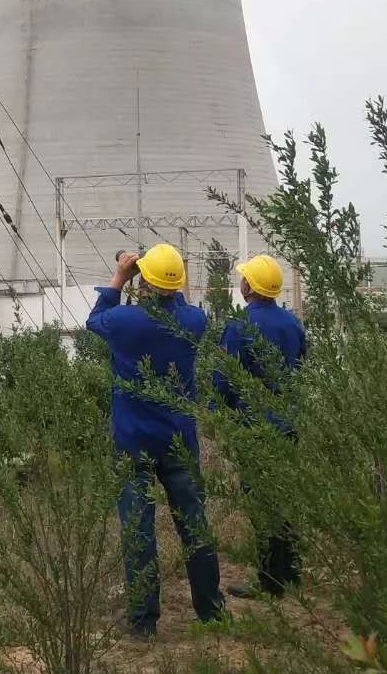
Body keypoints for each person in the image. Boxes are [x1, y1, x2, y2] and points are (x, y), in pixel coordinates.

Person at [87, 243, 224, 636]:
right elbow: (175, 302)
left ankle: (143, 621)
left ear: (143, 282)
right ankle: (211, 611)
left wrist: (121, 276)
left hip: (133, 441)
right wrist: (158, 281)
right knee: (194, 524)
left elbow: (94, 320)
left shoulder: (123, 322)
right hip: (179, 438)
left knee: (139, 529)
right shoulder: (194, 321)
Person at [213, 253, 306, 599]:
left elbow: (224, 376)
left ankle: (269, 582)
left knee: (262, 504)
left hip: (255, 427)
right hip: (288, 424)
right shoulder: (292, 323)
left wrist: (216, 414)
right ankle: (291, 572)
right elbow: (302, 366)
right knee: (285, 498)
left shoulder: (240, 325)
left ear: (249, 286)